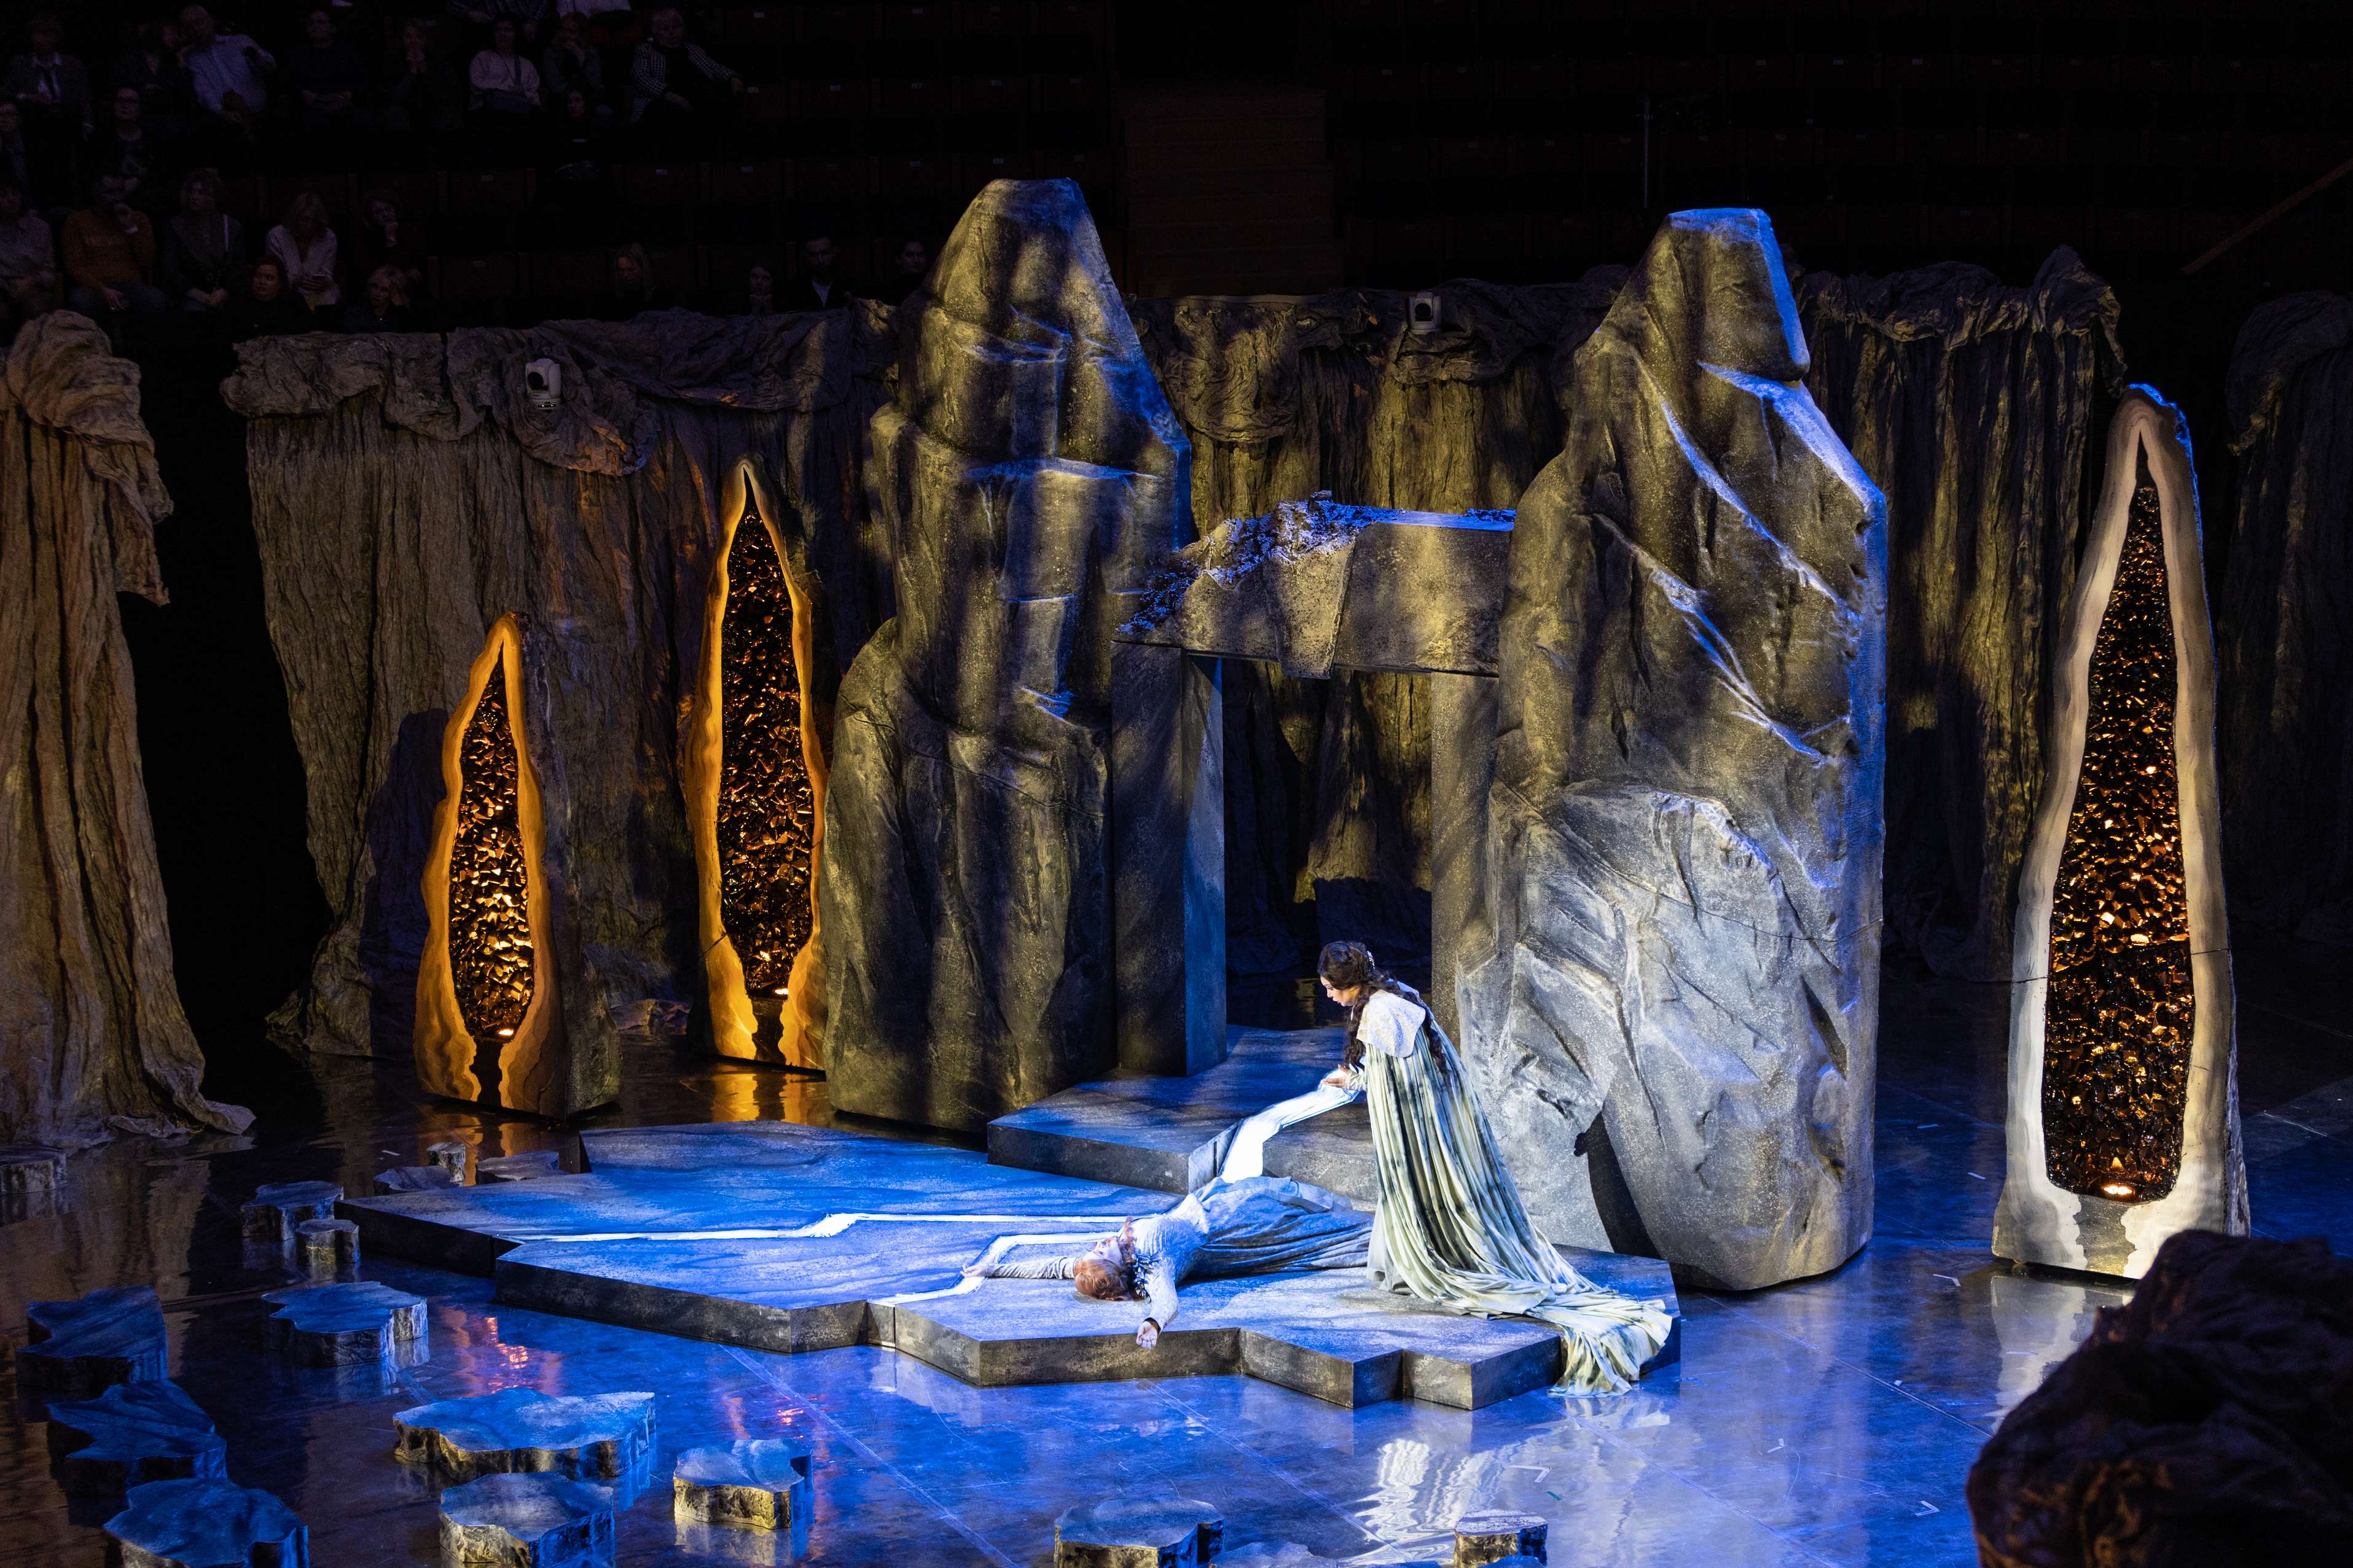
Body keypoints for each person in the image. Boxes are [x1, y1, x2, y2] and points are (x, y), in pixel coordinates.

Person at [1300, 941, 1670, 1395]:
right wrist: (1355, 1077)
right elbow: (1408, 1076)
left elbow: (1397, 1089)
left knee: (1421, 1203)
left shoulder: (1379, 1014)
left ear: (1346, 982)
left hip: (1418, 1131)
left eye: (1329, 988)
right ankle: (1403, 1257)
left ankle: (1433, 1255)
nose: (1329, 996)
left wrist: (1355, 1080)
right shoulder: (1395, 997)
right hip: (1439, 1122)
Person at [966, 1177, 1374, 1349]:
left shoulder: (1119, 1250)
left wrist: (994, 1269)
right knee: (1321, 1228)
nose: (1099, 1243)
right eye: (1101, 1251)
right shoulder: (1152, 1256)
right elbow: (1166, 1300)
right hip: (1233, 1225)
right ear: (1116, 1269)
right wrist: (1154, 1322)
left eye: (1094, 1248)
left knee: (1290, 1193)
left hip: (1213, 1203)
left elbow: (1055, 1266)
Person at [627, 7, 739, 145]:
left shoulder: (694, 49)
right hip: (662, 101)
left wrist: (732, 77)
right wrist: (668, 94)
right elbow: (641, 77)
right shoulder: (646, 50)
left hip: (699, 94)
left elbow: (715, 68)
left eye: (675, 27)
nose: (672, 32)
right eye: (665, 29)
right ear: (656, 32)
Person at [63, 173, 166, 319]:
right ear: (97, 195)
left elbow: (147, 262)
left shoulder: (138, 218)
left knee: (156, 299)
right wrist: (102, 289)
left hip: (130, 285)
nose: (117, 197)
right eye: (110, 192)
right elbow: (75, 265)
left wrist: (131, 228)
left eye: (120, 191)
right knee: (80, 300)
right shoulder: (77, 221)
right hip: (95, 286)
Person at [178, 7, 273, 131]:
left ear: (210, 21)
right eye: (189, 27)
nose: (195, 29)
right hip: (232, 124)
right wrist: (221, 111)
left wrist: (256, 56)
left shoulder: (238, 41)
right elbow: (203, 90)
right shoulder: (194, 60)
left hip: (265, 116)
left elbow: (269, 67)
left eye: (199, 22)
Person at [162, 166, 241, 311]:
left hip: (223, 292)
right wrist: (199, 295)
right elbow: (171, 269)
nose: (194, 197)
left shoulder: (230, 226)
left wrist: (223, 291)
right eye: (192, 192)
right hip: (190, 294)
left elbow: (238, 266)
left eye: (201, 193)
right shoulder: (176, 227)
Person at [283, 8, 367, 136]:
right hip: (312, 106)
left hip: (343, 104)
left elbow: (360, 80)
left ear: (333, 28)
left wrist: (348, 95)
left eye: (321, 22)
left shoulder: (346, 53)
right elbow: (291, 82)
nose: (315, 26)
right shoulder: (299, 55)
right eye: (311, 23)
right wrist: (304, 94)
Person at [111, 20, 195, 145]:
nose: (175, 37)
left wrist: (182, 59)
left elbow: (187, 96)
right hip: (139, 128)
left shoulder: (171, 63)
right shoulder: (131, 60)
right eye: (172, 31)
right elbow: (119, 91)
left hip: (170, 128)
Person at [91, 87, 172, 214]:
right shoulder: (99, 139)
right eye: (120, 100)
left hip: (147, 204)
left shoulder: (154, 141)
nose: (124, 105)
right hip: (109, 203)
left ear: (139, 108)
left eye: (131, 101)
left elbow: (161, 176)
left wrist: (139, 183)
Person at [380, 21, 464, 141]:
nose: (413, 41)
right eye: (409, 36)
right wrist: (413, 71)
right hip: (405, 111)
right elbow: (395, 97)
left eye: (418, 37)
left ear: (425, 40)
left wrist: (424, 69)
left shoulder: (438, 59)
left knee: (451, 115)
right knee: (393, 114)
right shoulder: (395, 60)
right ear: (403, 39)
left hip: (433, 110)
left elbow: (443, 96)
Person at [0, 176, 58, 336]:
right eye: (3, 195)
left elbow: (50, 271)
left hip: (34, 285)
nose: (11, 199)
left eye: (15, 194)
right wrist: (8, 286)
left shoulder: (40, 228)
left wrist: (31, 281)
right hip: (3, 288)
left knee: (35, 308)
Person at [265, 190, 338, 312]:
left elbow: (328, 273)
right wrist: (294, 281)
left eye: (314, 221)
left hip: (318, 294)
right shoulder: (276, 236)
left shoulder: (328, 238)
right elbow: (274, 274)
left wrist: (323, 282)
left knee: (331, 295)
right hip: (285, 293)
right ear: (295, 217)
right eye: (305, 219)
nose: (310, 226)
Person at [351, 189, 425, 301]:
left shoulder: (409, 231)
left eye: (388, 209)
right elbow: (375, 269)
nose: (386, 215)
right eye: (379, 212)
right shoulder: (366, 237)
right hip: (378, 288)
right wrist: (390, 239)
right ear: (371, 217)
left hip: (407, 285)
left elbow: (415, 262)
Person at [469, 17, 542, 126]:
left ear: (516, 34)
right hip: (487, 115)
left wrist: (523, 93)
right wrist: (508, 89)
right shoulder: (482, 57)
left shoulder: (527, 65)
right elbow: (477, 85)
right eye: (498, 30)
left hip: (519, 117)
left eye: (507, 30)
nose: (502, 34)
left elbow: (534, 95)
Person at [539, 12, 605, 119]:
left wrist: (581, 60)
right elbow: (556, 86)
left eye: (572, 32)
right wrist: (575, 100)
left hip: (588, 100)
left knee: (603, 112)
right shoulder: (551, 53)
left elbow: (594, 84)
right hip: (562, 100)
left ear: (581, 34)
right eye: (563, 30)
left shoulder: (591, 53)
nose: (566, 35)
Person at [226, 254, 307, 338]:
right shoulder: (237, 304)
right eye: (258, 276)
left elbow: (309, 334)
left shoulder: (294, 303)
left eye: (269, 278)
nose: (262, 282)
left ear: (280, 283)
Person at [783, 231, 855, 311]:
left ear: (833, 253)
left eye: (825, 253)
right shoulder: (795, 290)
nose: (820, 260)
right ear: (807, 258)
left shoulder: (849, 286)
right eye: (813, 255)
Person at [599, 240, 666, 318]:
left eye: (631, 270)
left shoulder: (659, 297)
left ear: (643, 268)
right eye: (621, 270)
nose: (625, 275)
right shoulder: (610, 299)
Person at [342, 263, 415, 332]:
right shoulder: (356, 312)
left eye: (384, 290)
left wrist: (399, 304)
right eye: (375, 287)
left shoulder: (398, 314)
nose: (377, 293)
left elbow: (410, 332)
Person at [886, 235, 928, 306]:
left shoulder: (931, 288)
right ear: (898, 259)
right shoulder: (889, 291)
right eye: (910, 255)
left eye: (920, 255)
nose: (916, 260)